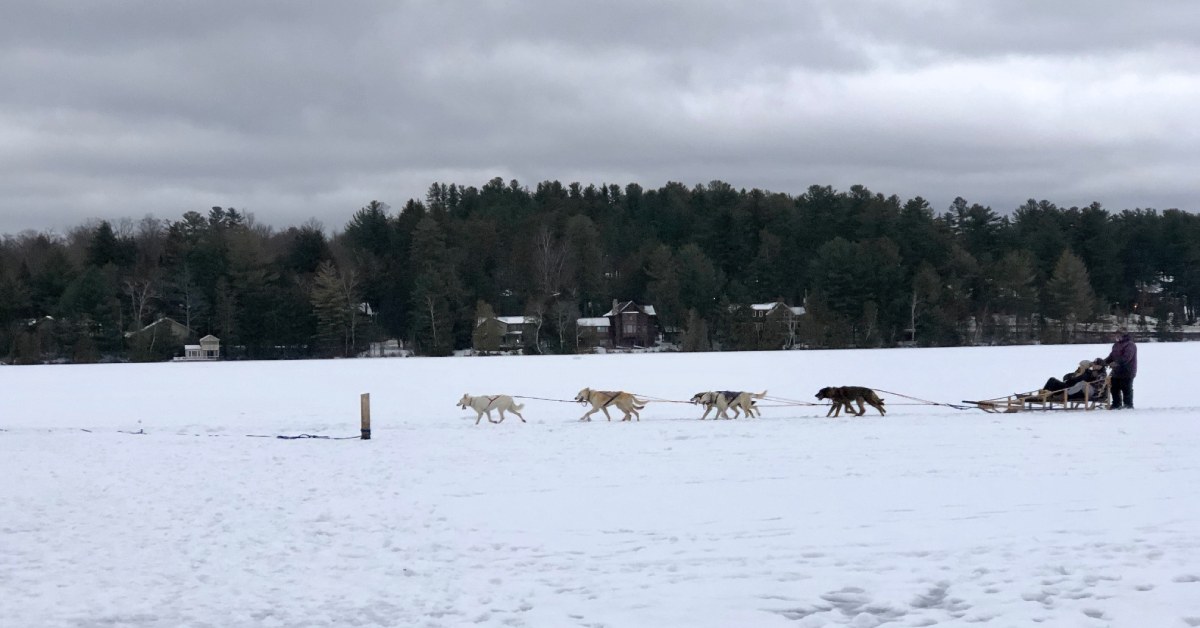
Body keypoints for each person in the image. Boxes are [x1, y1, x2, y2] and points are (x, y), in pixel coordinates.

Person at [1102, 327, 1137, 409]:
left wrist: (1117, 363)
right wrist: (1103, 363)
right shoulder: (1116, 345)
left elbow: (1127, 358)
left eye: (1119, 334)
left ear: (1124, 335)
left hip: (1127, 370)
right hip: (1116, 371)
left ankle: (1128, 405)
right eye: (1116, 334)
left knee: (1126, 388)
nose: (1116, 336)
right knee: (1114, 388)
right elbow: (1111, 356)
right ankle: (1116, 404)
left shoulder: (1130, 345)